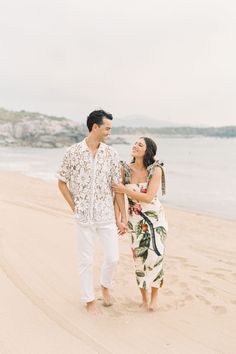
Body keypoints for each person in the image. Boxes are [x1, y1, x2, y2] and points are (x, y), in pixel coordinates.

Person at [57, 110, 127, 314]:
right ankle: (89, 299)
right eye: (107, 128)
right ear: (95, 127)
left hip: (106, 216)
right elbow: (62, 183)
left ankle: (105, 285)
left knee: (113, 258)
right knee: (85, 260)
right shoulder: (73, 152)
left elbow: (117, 188)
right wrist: (75, 207)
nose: (109, 132)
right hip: (83, 218)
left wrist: (122, 217)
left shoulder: (111, 154)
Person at [113, 137, 168, 311]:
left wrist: (124, 189)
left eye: (140, 144)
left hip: (155, 219)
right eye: (135, 143)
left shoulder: (156, 170)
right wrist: (119, 219)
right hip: (135, 220)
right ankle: (144, 298)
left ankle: (154, 298)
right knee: (139, 260)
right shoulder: (124, 169)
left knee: (155, 258)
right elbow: (118, 196)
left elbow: (148, 197)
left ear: (148, 150)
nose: (135, 146)